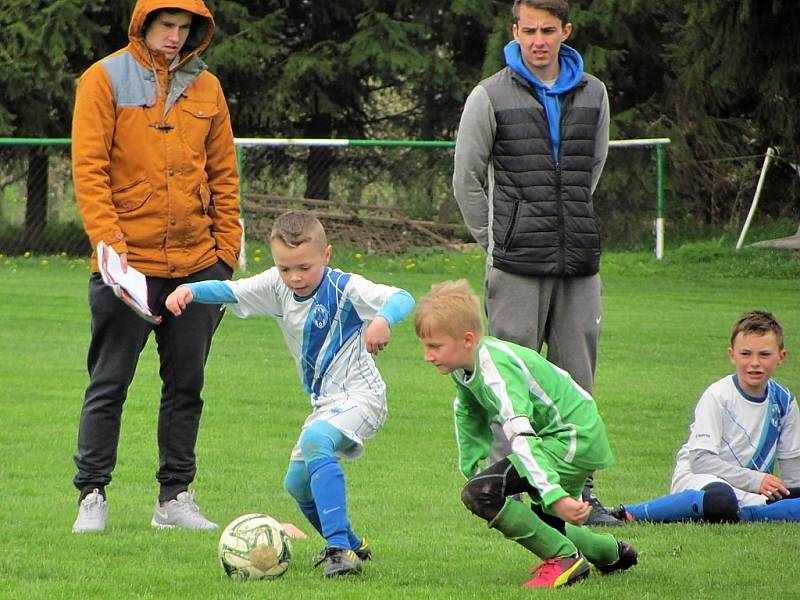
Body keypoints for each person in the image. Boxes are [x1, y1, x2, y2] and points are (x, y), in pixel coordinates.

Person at [164, 211, 415, 577]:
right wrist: (190, 290)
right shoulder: (277, 285)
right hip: (325, 403)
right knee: (296, 485)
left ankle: (339, 552)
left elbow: (401, 296)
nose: (294, 277)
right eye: (285, 268)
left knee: (316, 441)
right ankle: (353, 542)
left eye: (304, 267)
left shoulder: (344, 288)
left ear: (326, 256)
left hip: (363, 395)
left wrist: (382, 320)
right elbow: (232, 290)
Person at [71, 0, 241, 533]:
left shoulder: (208, 88)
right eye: (166, 25)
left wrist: (225, 257)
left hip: (197, 266)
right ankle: (92, 496)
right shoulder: (102, 79)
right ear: (143, 25)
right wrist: (111, 248)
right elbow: (89, 169)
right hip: (127, 269)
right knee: (109, 383)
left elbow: (224, 173)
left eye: (184, 27)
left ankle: (174, 499)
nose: (174, 36)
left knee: (186, 386)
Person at [452, 0, 619, 525]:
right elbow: (466, 180)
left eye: (549, 30)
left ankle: (580, 500)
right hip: (515, 266)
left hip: (579, 265)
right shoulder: (489, 95)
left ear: (566, 31)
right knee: (510, 386)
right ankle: (512, 495)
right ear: (515, 31)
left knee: (576, 386)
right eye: (530, 30)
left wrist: (564, 222)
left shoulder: (594, 93)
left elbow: (592, 168)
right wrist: (497, 240)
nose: (539, 40)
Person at [414, 280, 637, 588]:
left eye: (434, 346)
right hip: (571, 437)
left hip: (572, 438)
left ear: (467, 339)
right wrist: (471, 464)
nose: (427, 355)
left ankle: (565, 561)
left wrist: (554, 494)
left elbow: (521, 434)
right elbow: (467, 411)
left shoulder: (495, 368)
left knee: (481, 494)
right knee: (546, 522)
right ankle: (613, 553)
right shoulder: (464, 367)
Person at [611, 311, 800, 524]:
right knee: (721, 500)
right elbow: (701, 461)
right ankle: (628, 512)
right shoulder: (718, 395)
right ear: (732, 355)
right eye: (746, 354)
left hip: (751, 488)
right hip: (703, 480)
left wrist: (789, 493)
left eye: (764, 354)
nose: (754, 362)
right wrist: (755, 480)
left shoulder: (784, 401)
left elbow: (793, 472)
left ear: (781, 356)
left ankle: (745, 513)